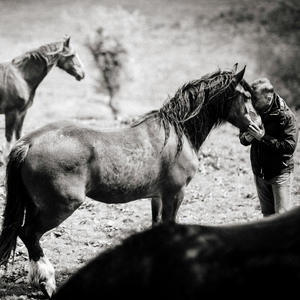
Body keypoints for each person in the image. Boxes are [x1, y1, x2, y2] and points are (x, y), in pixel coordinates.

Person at [240, 78, 298, 217]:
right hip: (259, 173)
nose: (252, 104)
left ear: (268, 97)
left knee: (281, 218)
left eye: (256, 100)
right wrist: (247, 138)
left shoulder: (286, 116)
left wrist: (262, 137)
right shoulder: (252, 112)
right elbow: (242, 137)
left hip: (280, 173)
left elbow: (289, 147)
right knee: (267, 217)